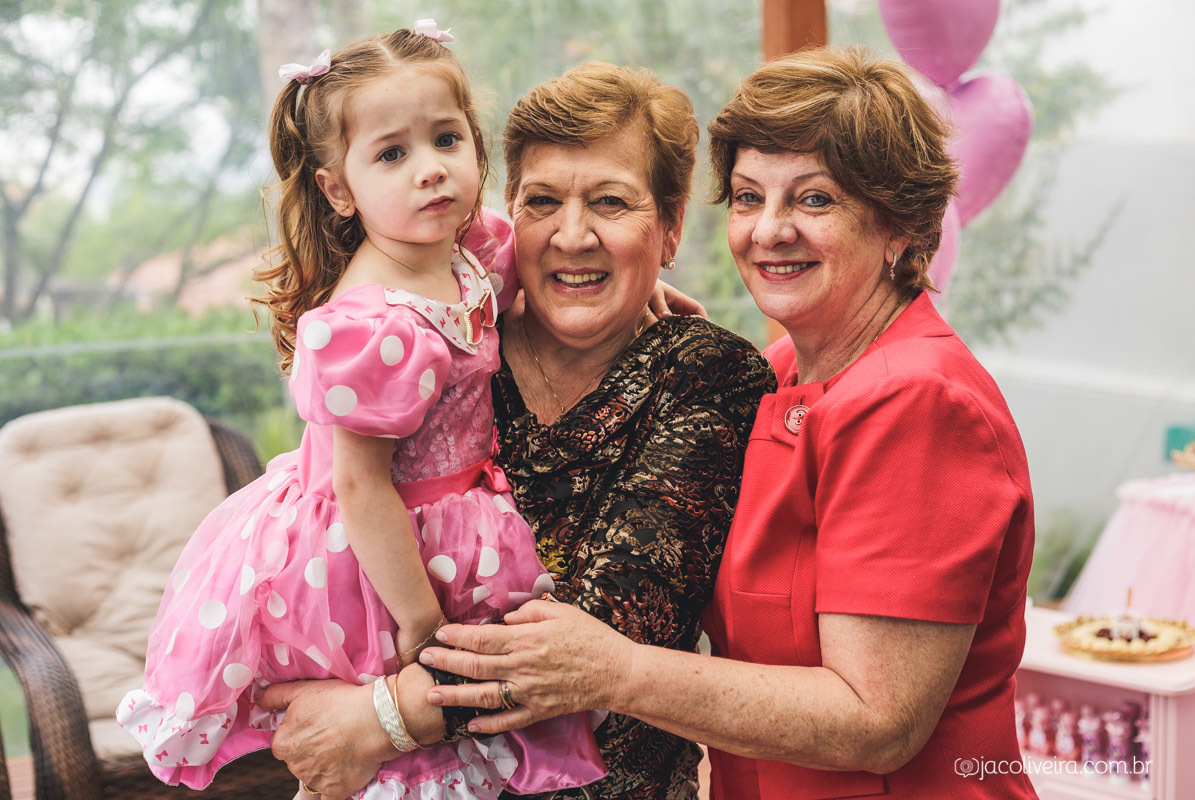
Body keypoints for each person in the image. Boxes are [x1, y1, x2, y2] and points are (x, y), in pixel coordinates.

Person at [419, 47, 1040, 800]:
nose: (770, 230)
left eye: (814, 200)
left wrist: (614, 669)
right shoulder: (781, 374)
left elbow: (878, 719)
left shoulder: (919, 401)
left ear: (902, 227)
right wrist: (628, 311)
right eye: (749, 198)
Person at [116, 23, 610, 800]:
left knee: (441, 753)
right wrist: (419, 625)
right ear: (338, 188)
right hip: (377, 555)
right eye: (392, 154)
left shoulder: (469, 249)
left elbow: (548, 266)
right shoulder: (371, 326)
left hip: (457, 520)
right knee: (393, 755)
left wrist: (639, 287)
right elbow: (360, 487)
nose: (430, 171)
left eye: (446, 139)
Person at [260, 62, 776, 800]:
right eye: (543, 202)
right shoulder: (455, 336)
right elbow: (351, 502)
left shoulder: (707, 374)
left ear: (670, 227)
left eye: (610, 203)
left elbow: (607, 628)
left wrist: (381, 717)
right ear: (508, 212)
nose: (572, 235)